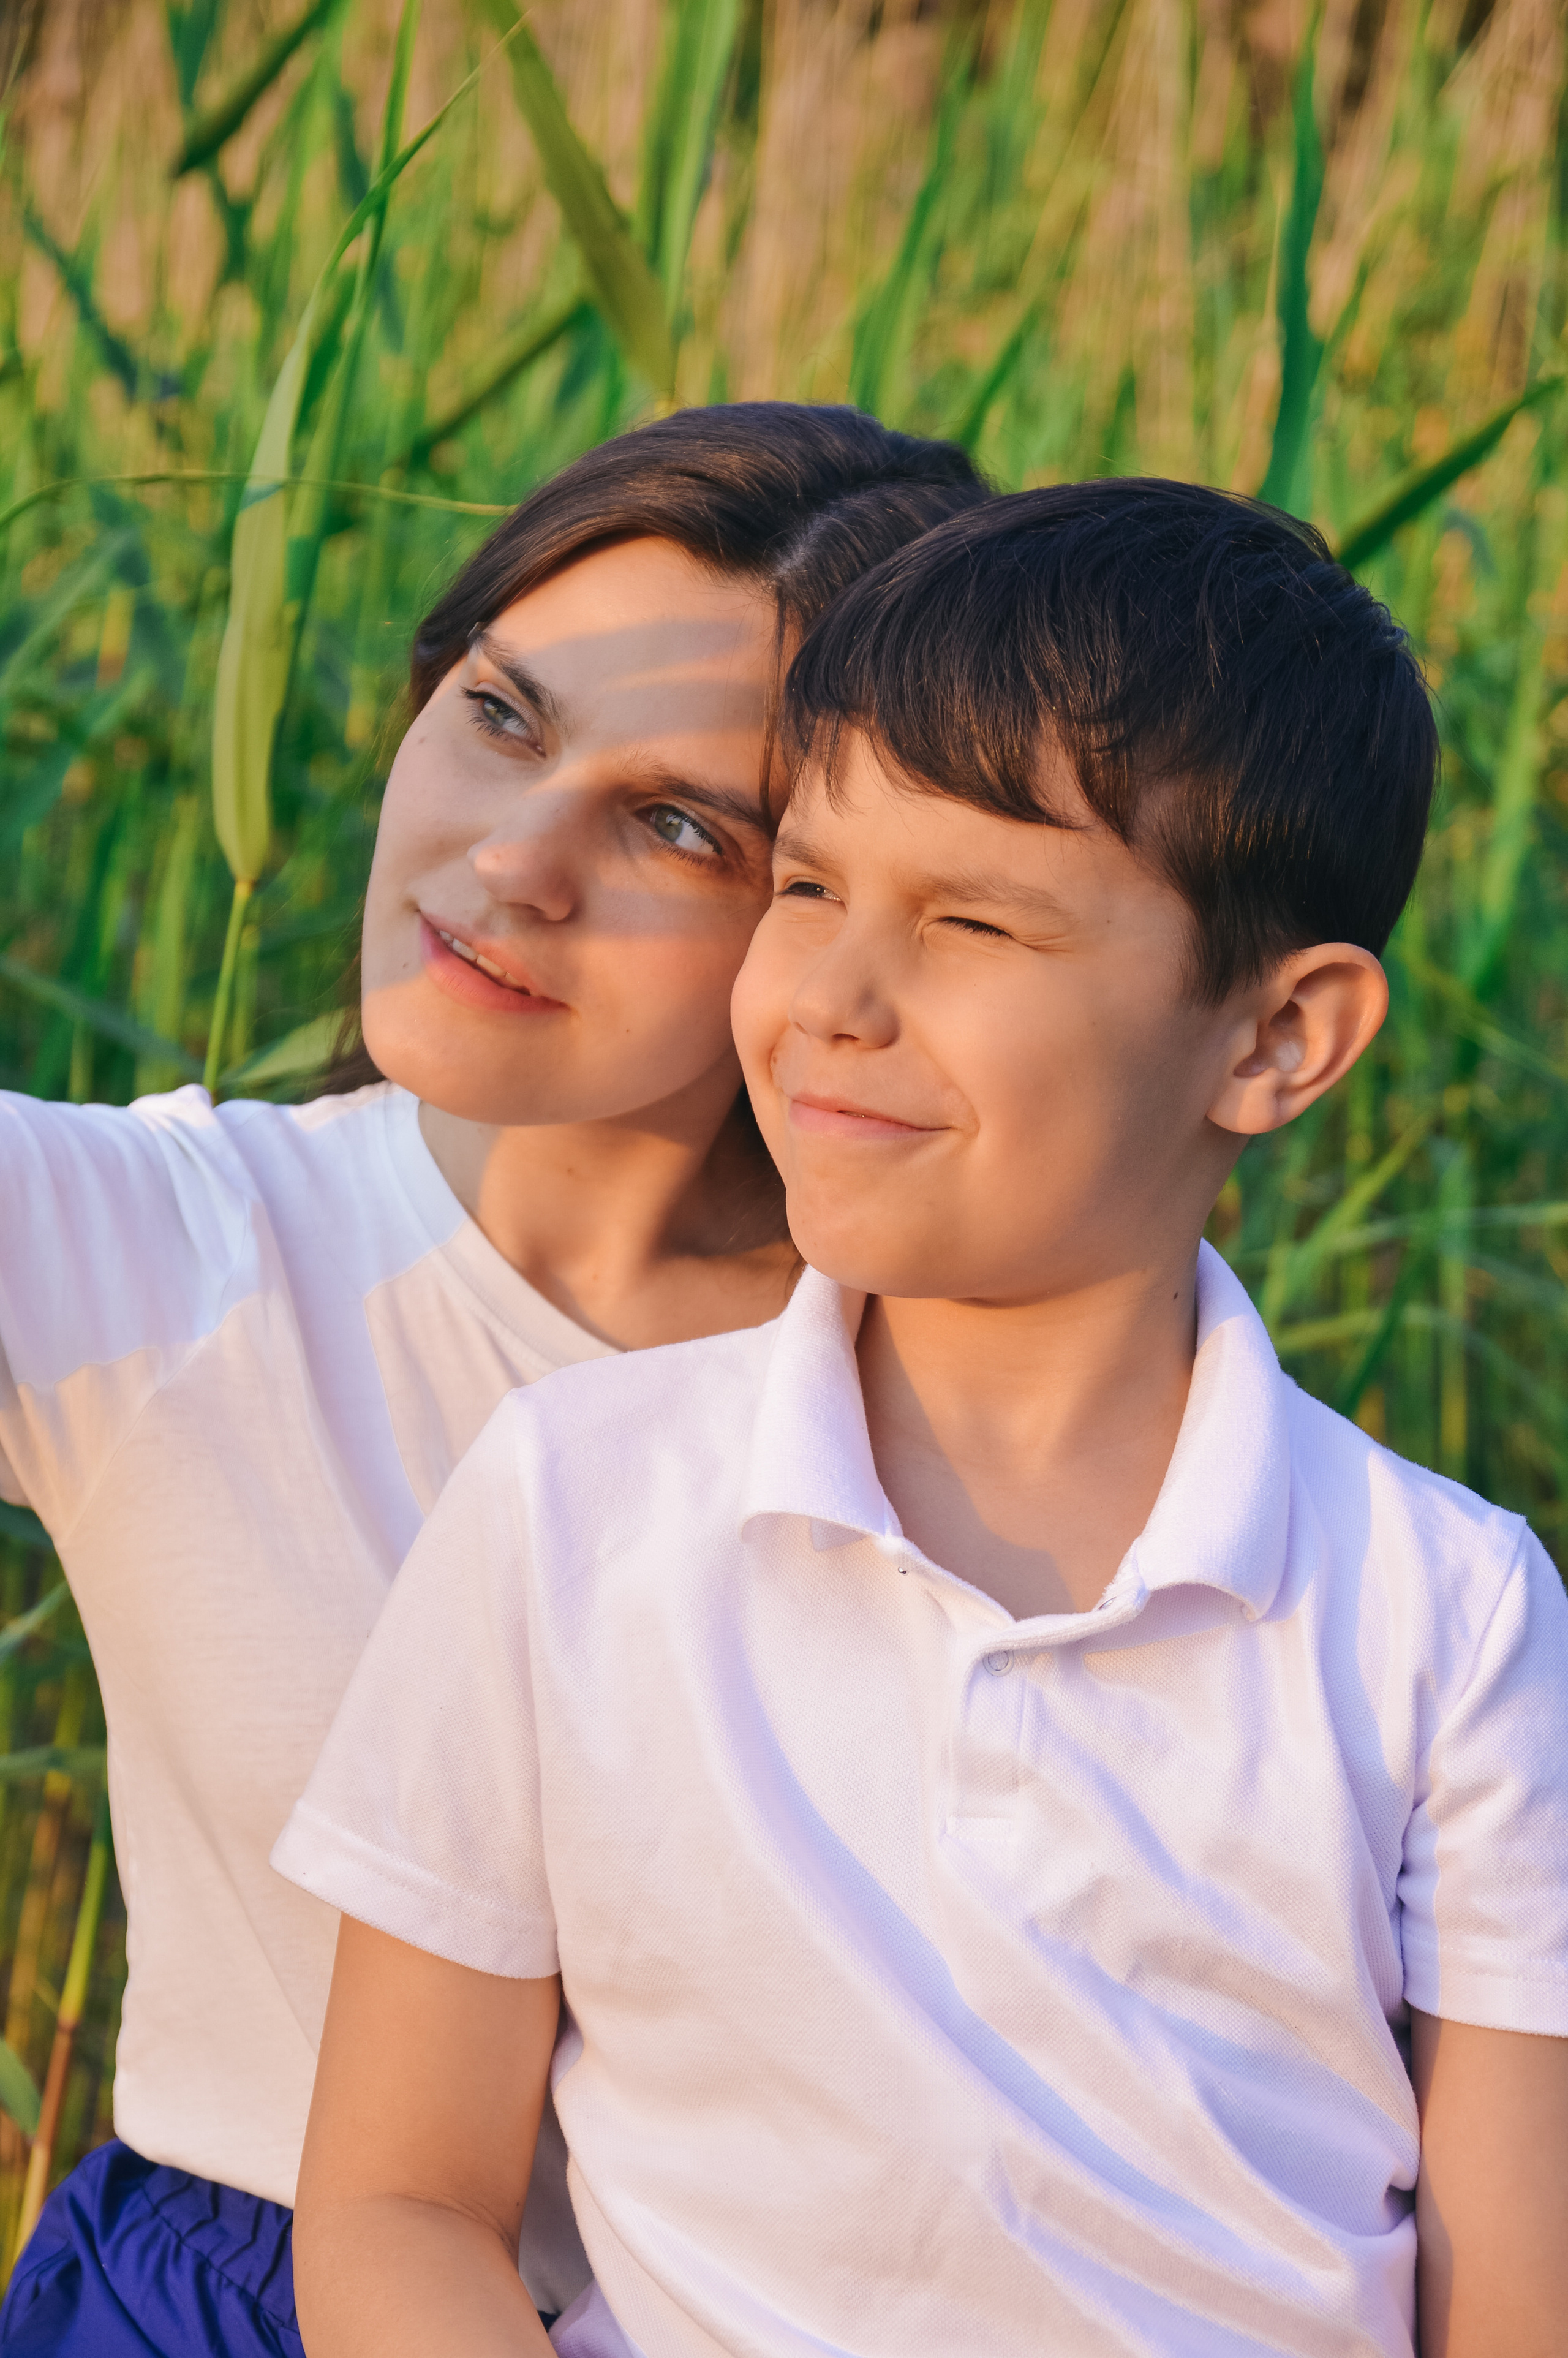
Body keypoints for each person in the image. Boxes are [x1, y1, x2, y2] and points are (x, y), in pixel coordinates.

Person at [280, 480, 1568, 2358]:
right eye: (806, 885)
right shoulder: (578, 1505)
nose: (829, 999)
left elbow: (1513, 2306)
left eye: (974, 920)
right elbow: (399, 2199)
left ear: (1278, 1037)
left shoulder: (1448, 1617)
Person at [0, 403, 990, 2358]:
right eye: (504, 715)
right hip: (223, 2300)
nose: (510, 861)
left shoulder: (985, 1368)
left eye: (677, 823)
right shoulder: (173, 1247)